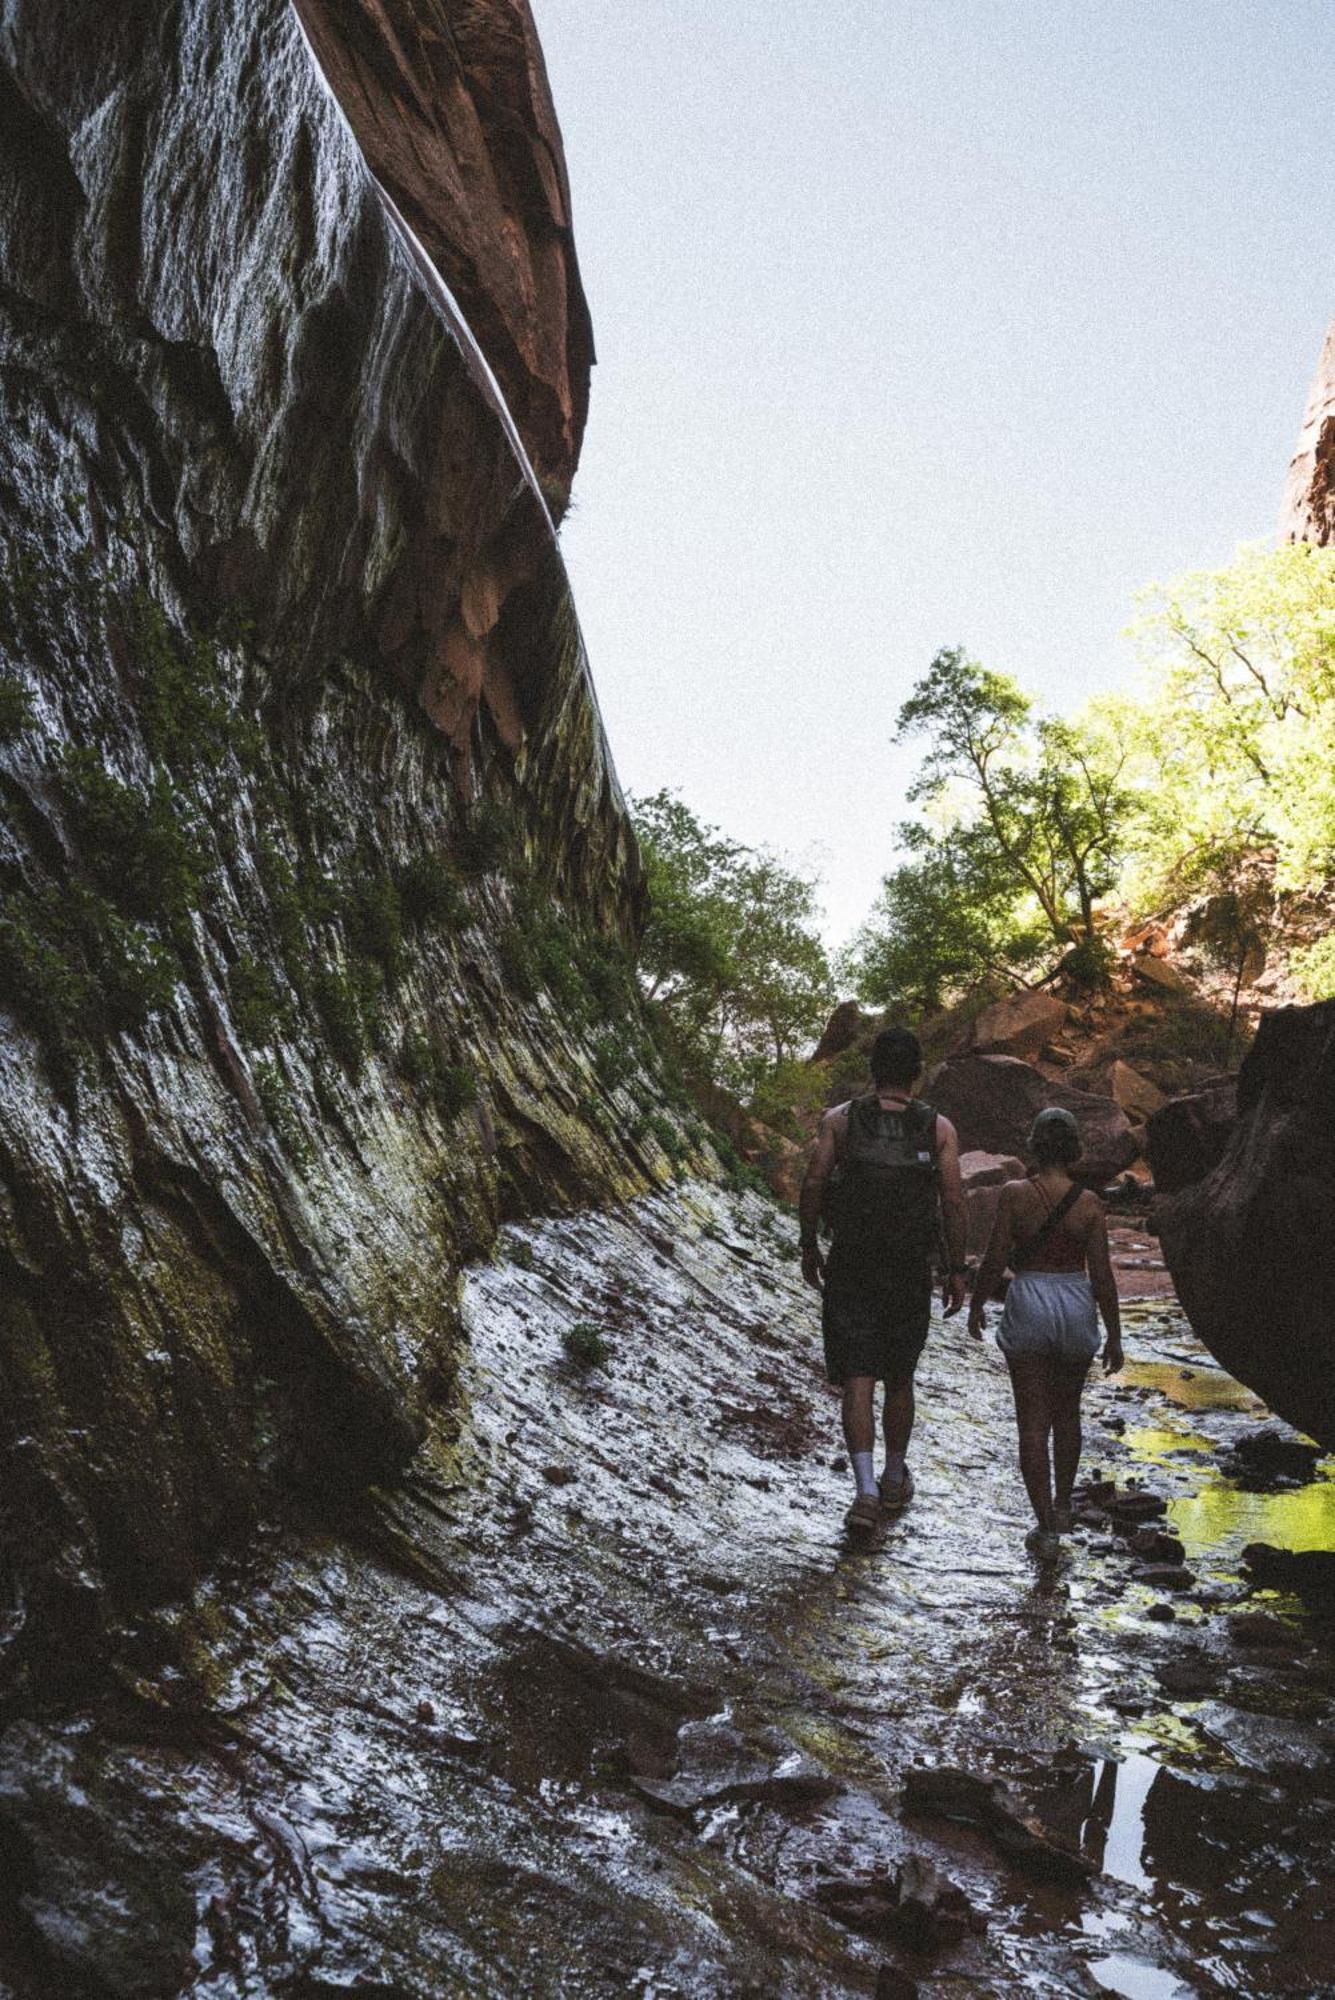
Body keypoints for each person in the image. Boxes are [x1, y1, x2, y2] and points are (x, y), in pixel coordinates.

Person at [799, 1027, 968, 1534]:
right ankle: (896, 1476)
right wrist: (956, 1268)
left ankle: (866, 1492)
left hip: (852, 1263)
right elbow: (954, 1201)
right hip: (908, 1267)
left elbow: (814, 1181)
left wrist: (809, 1244)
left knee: (857, 1377)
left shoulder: (840, 1120)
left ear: (873, 1071)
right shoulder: (939, 1128)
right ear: (916, 1073)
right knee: (900, 1375)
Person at [967, 1106, 1124, 1553]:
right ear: (1074, 1148)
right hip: (1076, 1303)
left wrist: (977, 1305)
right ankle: (1062, 1505)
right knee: (1067, 1414)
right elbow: (1103, 1276)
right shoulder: (1091, 1203)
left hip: (1031, 1300)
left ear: (1034, 1145)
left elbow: (995, 1259)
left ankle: (1045, 1527)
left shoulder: (1015, 1194)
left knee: (1032, 1424)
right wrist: (1114, 1334)